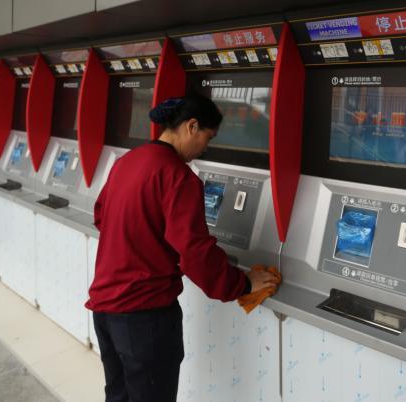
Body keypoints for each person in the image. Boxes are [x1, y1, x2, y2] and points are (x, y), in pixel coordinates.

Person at [86, 94, 278, 402]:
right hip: (145, 317)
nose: (206, 147)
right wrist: (241, 284)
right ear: (191, 126)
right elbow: (194, 253)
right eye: (207, 137)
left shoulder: (128, 162)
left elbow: (102, 217)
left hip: (105, 309)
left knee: (119, 396)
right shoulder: (178, 177)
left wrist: (147, 245)